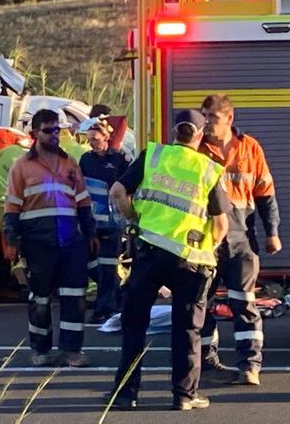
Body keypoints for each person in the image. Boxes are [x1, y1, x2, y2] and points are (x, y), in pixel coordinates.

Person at [109, 109, 230, 412]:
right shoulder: (208, 168)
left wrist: (135, 217)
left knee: (134, 325)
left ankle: (126, 395)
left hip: (148, 253)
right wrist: (209, 248)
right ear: (200, 136)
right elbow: (220, 225)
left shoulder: (153, 156)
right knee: (187, 329)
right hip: (190, 261)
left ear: (175, 131)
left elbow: (118, 192)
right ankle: (184, 396)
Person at [197, 93, 282, 387]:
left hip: (241, 239)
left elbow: (266, 194)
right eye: (204, 116)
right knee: (202, 305)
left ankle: (250, 366)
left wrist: (272, 232)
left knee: (244, 304)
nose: (206, 123)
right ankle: (208, 365)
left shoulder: (250, 147)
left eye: (213, 117)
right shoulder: (196, 148)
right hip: (206, 240)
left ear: (229, 118)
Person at [3, 109, 97, 368]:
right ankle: (41, 350)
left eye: (57, 129)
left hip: (70, 240)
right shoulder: (21, 166)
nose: (54, 134)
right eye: (48, 130)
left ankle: (71, 350)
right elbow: (12, 206)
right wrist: (11, 241)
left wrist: (90, 233)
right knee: (40, 298)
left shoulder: (69, 163)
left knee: (74, 296)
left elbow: (83, 200)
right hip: (37, 241)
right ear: (34, 133)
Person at [79, 115, 129, 323]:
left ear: (106, 138)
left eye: (95, 139)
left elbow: (128, 188)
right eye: (89, 139)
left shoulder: (119, 160)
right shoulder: (86, 160)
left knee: (108, 267)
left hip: (112, 223)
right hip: (91, 222)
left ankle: (104, 309)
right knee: (90, 265)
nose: (92, 143)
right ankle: (115, 296)